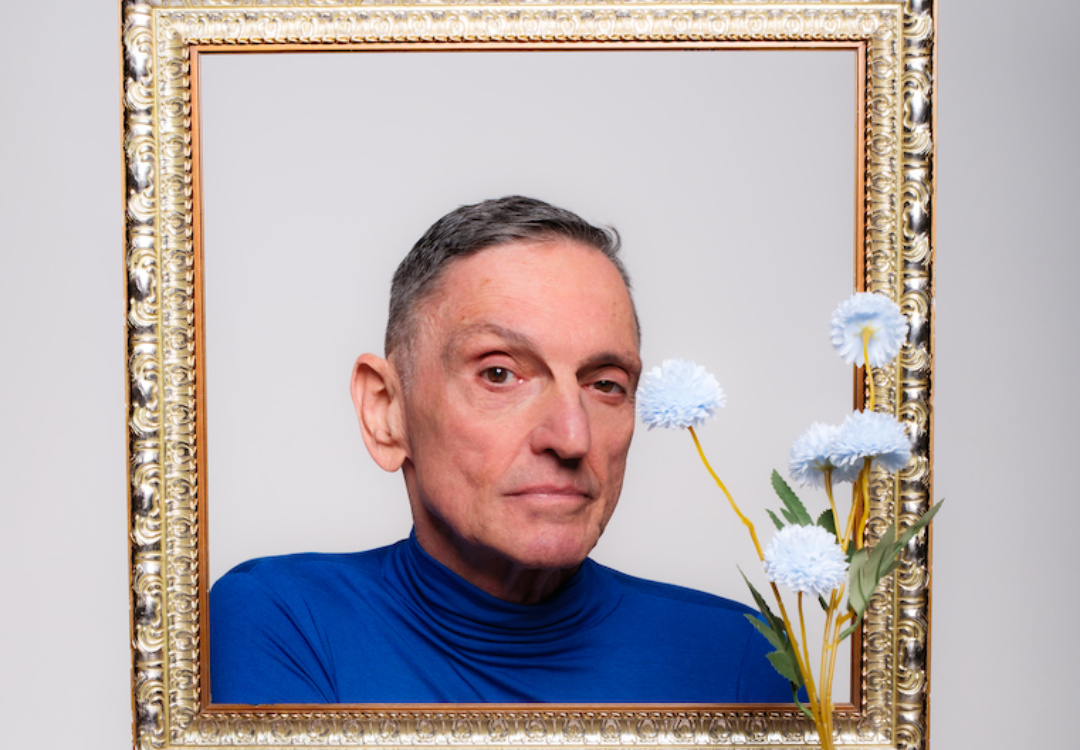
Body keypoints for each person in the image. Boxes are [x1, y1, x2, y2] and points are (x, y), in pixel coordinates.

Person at [210, 196, 792, 704]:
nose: (572, 437)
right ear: (386, 411)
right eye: (498, 374)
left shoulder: (741, 655)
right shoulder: (285, 621)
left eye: (605, 384)